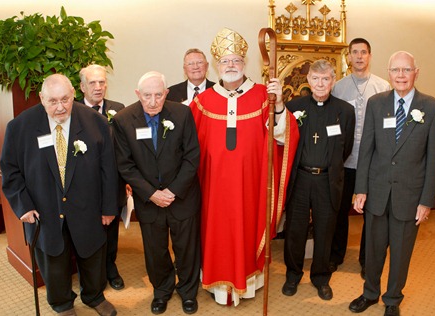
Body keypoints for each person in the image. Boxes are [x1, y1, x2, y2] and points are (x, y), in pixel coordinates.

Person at [189, 27, 298, 306]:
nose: (231, 66)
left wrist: (279, 105)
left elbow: (282, 135)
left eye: (236, 60)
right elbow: (189, 147)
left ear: (244, 63)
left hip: (252, 184)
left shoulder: (264, 95)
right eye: (225, 61)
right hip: (214, 188)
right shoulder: (202, 102)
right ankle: (219, 284)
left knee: (248, 228)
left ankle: (249, 282)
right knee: (217, 232)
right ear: (217, 65)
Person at [0, 74, 119, 316]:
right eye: (52, 101)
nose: (60, 107)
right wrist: (23, 206)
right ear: (42, 98)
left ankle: (94, 296)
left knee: (93, 255)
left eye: (65, 99)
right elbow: (10, 172)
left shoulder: (96, 122)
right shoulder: (20, 127)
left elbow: (109, 169)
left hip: (88, 207)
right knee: (52, 260)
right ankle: (62, 303)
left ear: (74, 94)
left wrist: (109, 207)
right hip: (43, 209)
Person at [348, 51, 435, 316]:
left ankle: (392, 299)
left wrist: (427, 200)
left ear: (416, 72)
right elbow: (366, 149)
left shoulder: (433, 108)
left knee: (401, 253)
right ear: (389, 73)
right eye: (395, 71)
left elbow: (434, 160)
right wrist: (360, 189)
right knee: (373, 250)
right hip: (377, 192)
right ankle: (369, 293)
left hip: (409, 196)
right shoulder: (377, 104)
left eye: (406, 70)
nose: (400, 76)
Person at [113, 71, 201, 315]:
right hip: (148, 199)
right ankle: (162, 291)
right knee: (155, 250)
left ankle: (188, 292)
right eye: (147, 96)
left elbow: (192, 157)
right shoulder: (123, 120)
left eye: (158, 95)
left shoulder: (182, 114)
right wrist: (152, 193)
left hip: (181, 195)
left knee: (186, 247)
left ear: (167, 94)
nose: (153, 102)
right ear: (137, 94)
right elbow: (125, 165)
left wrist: (172, 191)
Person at [282, 59, 355, 301]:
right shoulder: (294, 107)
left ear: (333, 81)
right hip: (300, 178)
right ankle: (293, 275)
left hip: (327, 180)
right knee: (295, 230)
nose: (320, 83)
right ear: (309, 81)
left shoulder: (345, 111)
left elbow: (345, 149)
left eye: (326, 79)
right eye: (316, 78)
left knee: (325, 230)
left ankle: (321, 277)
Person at [330, 38, 391, 278]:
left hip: (373, 162)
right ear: (348, 57)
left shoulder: (382, 86)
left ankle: (368, 261)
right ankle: (336, 255)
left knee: (372, 214)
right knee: (339, 210)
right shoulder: (339, 87)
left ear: (370, 55)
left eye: (363, 52)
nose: (358, 56)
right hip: (345, 161)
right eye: (354, 52)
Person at [78, 64, 126, 291]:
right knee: (87, 231)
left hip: (113, 182)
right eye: (92, 83)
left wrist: (127, 181)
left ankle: (110, 267)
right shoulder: (73, 111)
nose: (98, 87)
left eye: (102, 82)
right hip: (84, 185)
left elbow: (126, 148)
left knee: (111, 230)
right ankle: (90, 275)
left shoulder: (119, 108)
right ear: (82, 86)